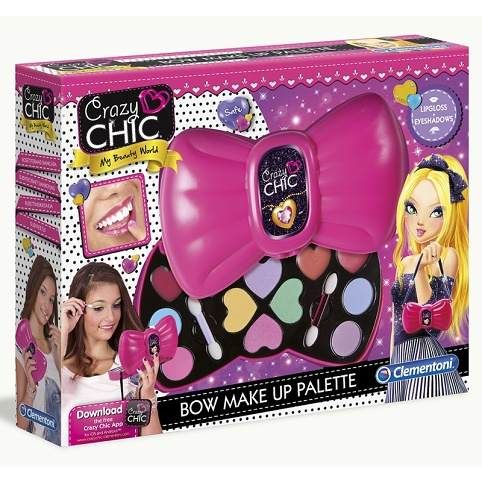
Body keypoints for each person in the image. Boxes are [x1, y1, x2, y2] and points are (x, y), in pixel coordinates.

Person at [386, 154, 468, 402]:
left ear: (450, 215)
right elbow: (397, 321)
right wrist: (391, 366)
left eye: (436, 212)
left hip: (426, 356)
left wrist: (421, 270)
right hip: (400, 359)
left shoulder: (448, 256)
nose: (420, 221)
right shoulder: (405, 263)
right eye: (412, 208)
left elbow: (432, 320)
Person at [61, 262, 162, 444]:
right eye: (99, 308)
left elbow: (151, 445)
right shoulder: (58, 365)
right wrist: (64, 330)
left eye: (116, 305)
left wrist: (147, 398)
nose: (111, 317)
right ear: (78, 309)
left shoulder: (131, 367)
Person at [16, 255, 61, 444]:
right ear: (33, 290)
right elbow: (19, 425)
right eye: (42, 292)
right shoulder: (20, 348)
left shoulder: (55, 344)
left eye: (51, 299)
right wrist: (30, 389)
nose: (47, 306)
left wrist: (61, 355)